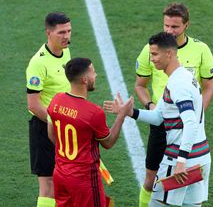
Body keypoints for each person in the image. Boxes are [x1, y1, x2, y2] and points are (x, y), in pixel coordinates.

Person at [106, 32, 211, 206]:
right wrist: (129, 112)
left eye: (154, 54)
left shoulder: (178, 84)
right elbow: (159, 117)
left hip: (180, 162)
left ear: (169, 53)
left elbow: (190, 124)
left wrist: (181, 161)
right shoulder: (183, 77)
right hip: (200, 158)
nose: (152, 59)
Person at [135, 2, 213, 206]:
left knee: (162, 198)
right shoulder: (173, 73)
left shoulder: (194, 58)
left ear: (186, 25)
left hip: (182, 140)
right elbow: (141, 86)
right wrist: (142, 108)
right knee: (151, 179)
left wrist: (195, 116)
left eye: (175, 27)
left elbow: (208, 88)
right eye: (166, 26)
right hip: (168, 124)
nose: (170, 31)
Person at [47, 57, 133, 207]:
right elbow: (108, 142)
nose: (96, 75)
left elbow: (51, 134)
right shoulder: (93, 113)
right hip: (84, 179)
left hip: (60, 174)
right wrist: (122, 115)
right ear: (85, 79)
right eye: (93, 72)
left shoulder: (56, 100)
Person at [26, 12, 72, 207]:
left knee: (67, 182)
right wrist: (56, 123)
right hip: (45, 127)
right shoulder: (38, 63)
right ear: (48, 33)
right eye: (61, 32)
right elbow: (33, 104)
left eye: (69, 31)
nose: (67, 36)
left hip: (66, 126)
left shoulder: (65, 51)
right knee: (49, 184)